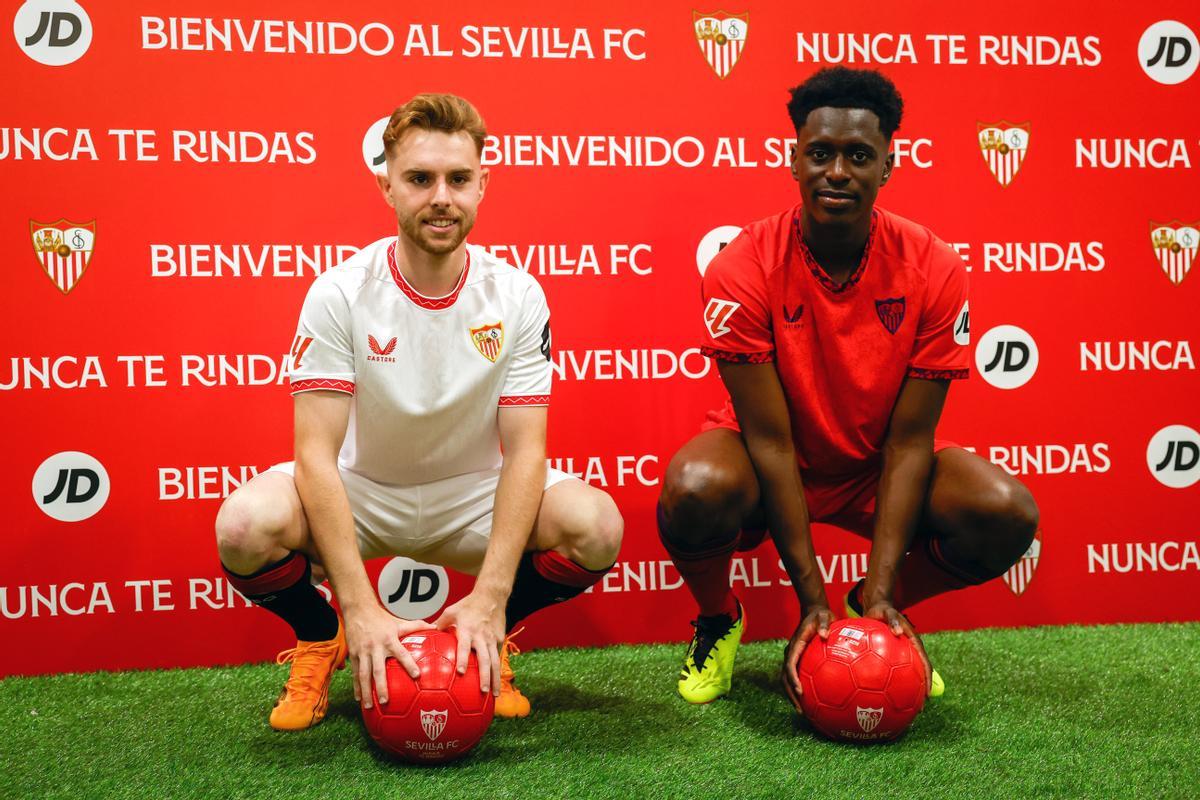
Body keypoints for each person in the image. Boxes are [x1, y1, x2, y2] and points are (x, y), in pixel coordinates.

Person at [214, 93, 623, 730]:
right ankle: (323, 636)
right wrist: (359, 607)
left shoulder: (516, 294)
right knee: (243, 527)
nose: (441, 197)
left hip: (473, 498)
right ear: (387, 187)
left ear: (484, 184)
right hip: (363, 494)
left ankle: (488, 636)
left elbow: (527, 452)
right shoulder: (340, 292)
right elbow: (314, 456)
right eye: (419, 179)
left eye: (459, 179)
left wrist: (491, 597)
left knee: (596, 525)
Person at [657, 67, 1038, 708]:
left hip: (874, 462)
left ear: (887, 165)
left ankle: (874, 609)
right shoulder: (741, 266)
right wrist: (811, 604)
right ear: (794, 159)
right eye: (821, 153)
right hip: (768, 457)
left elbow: (911, 441)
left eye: (859, 156)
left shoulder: (935, 266)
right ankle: (719, 618)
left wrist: (879, 593)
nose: (838, 171)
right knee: (695, 489)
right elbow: (771, 443)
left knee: (1007, 513)